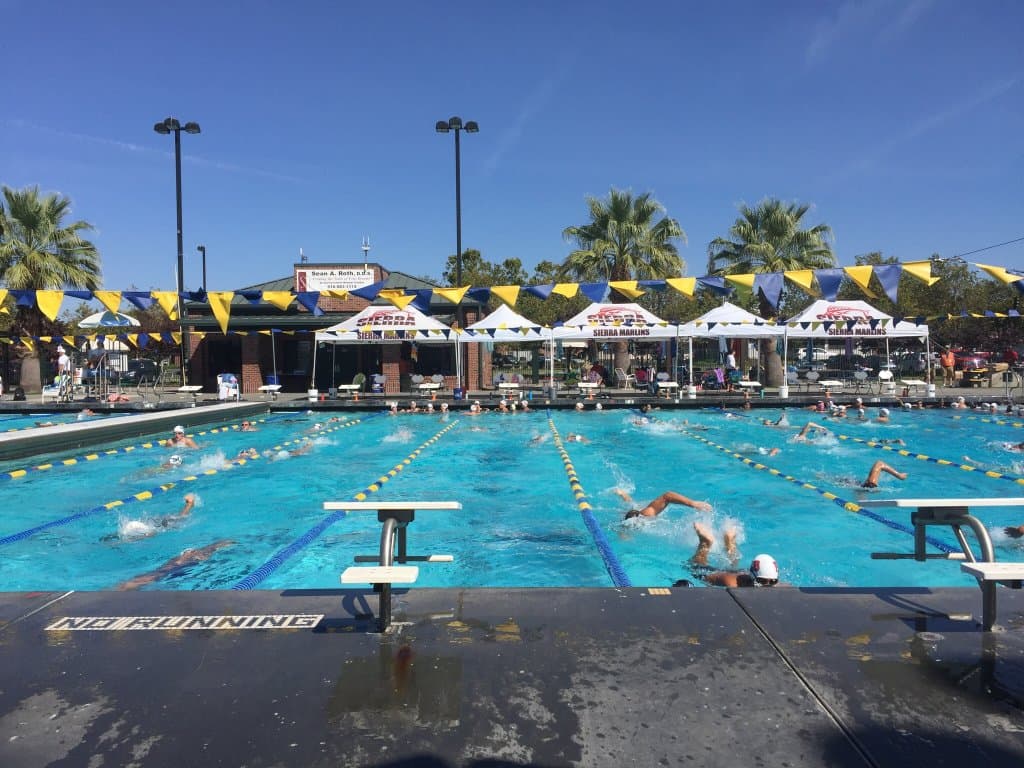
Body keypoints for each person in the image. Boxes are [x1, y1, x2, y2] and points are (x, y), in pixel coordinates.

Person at [679, 522, 780, 588]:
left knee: (733, 566)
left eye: (772, 582)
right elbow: (705, 580)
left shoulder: (775, 583)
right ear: (753, 577)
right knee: (695, 568)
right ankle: (705, 543)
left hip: (741, 574)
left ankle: (730, 543)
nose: (767, 586)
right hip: (715, 574)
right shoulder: (731, 583)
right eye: (762, 581)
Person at [116, 539, 234, 590]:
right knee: (157, 574)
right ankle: (126, 586)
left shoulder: (199, 551)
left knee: (157, 574)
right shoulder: (204, 553)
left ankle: (125, 586)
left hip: (177, 562)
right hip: (179, 563)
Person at [616, 488, 712, 520]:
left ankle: (622, 493)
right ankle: (623, 495)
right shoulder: (625, 528)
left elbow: (668, 495)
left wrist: (693, 503)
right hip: (631, 516)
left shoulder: (646, 515)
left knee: (633, 505)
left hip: (642, 512)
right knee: (632, 506)